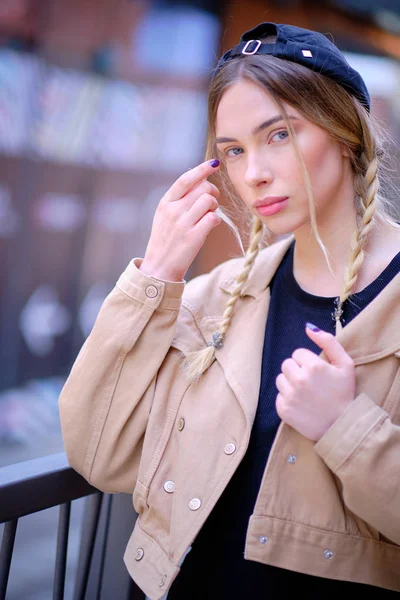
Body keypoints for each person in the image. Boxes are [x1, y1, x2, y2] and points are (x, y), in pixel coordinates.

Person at [59, 22, 400, 599]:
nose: (253, 173)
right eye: (233, 151)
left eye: (280, 135)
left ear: (346, 133)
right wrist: (157, 274)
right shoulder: (212, 301)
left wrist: (345, 428)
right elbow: (98, 453)